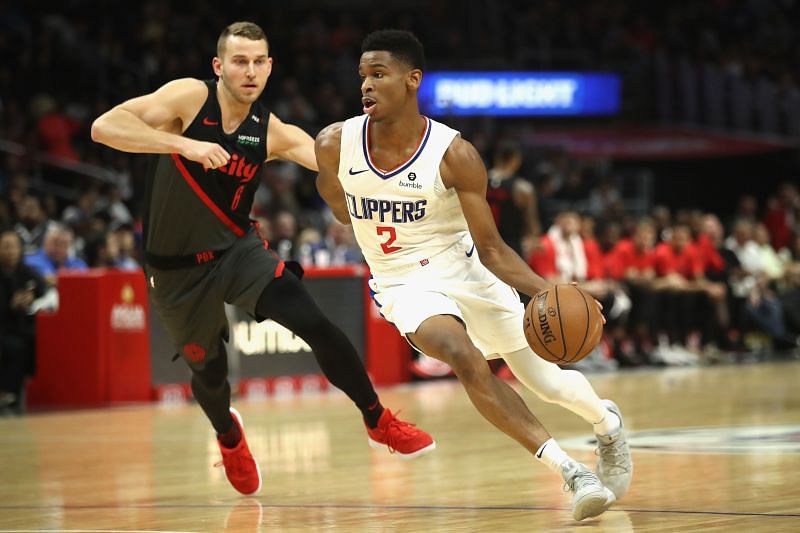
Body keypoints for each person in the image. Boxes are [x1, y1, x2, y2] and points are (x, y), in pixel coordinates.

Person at [91, 21, 434, 496]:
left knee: (314, 321)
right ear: (219, 66)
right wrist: (184, 144)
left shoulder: (268, 130)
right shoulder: (189, 99)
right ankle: (229, 438)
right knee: (208, 372)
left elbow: (333, 161)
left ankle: (377, 419)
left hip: (237, 251)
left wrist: (404, 174)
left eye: (258, 62)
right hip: (175, 271)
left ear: (269, 68)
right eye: (239, 61)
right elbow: (104, 126)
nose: (249, 71)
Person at [315, 30, 632, 521]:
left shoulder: (453, 154)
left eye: (379, 75)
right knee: (463, 355)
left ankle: (606, 423)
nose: (367, 86)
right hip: (402, 283)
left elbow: (492, 248)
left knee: (547, 383)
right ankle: (573, 472)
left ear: (412, 80)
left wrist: (550, 292)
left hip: (466, 269)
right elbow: (339, 210)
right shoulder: (335, 144)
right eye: (363, 76)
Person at [0, 229, 47, 413]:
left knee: (37, 342)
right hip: (3, 328)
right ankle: (6, 392)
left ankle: (25, 392)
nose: (10, 251)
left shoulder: (25, 271)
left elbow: (41, 286)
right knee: (15, 346)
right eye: (6, 247)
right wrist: (10, 305)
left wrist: (31, 295)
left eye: (14, 247)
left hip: (22, 326)